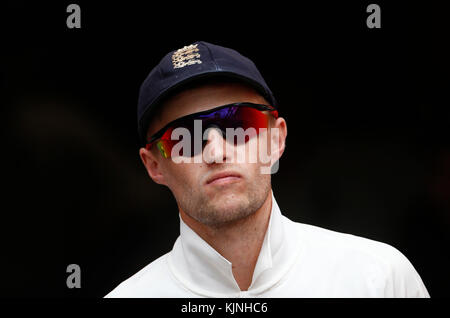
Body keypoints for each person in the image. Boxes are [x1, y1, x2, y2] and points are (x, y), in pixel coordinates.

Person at [105, 41, 429, 297]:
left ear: (277, 139)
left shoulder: (378, 281)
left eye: (239, 123)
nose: (217, 151)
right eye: (184, 137)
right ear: (154, 165)